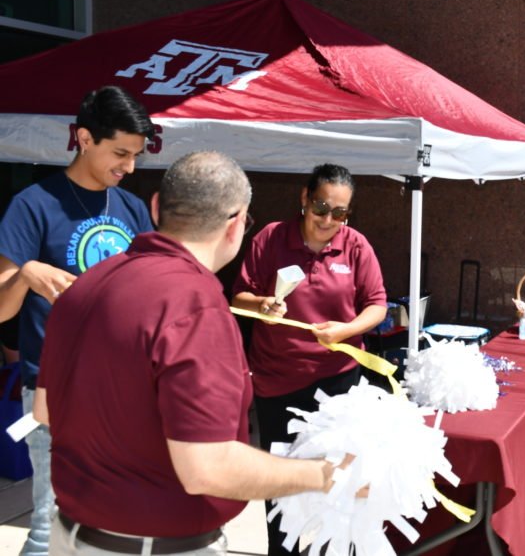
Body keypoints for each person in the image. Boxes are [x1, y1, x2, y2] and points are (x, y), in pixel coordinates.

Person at [35, 151, 351, 555]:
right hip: (155, 546)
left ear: (155, 208)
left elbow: (45, 411)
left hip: (71, 536)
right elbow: (209, 467)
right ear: (237, 225)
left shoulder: (85, 285)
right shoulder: (197, 305)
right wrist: (326, 474)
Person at [0, 86, 154, 556]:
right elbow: (2, 308)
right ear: (85, 138)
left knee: (110, 523)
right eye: (120, 153)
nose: (129, 168)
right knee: (50, 528)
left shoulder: (129, 208)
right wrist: (25, 274)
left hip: (121, 391)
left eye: (135, 157)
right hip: (54, 392)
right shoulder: (33, 204)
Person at [233, 163, 387, 556]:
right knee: (279, 482)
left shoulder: (355, 245)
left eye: (340, 213)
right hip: (277, 382)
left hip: (338, 384)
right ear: (304, 199)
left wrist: (347, 329)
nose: (328, 220)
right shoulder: (270, 238)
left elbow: (378, 306)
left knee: (340, 480)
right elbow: (239, 296)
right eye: (321, 208)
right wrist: (264, 304)